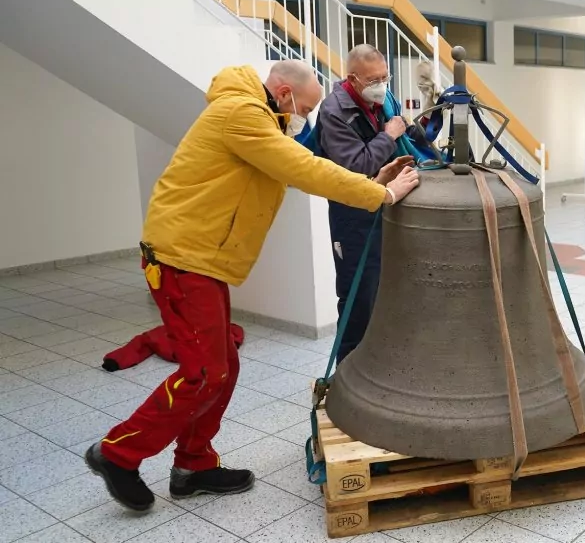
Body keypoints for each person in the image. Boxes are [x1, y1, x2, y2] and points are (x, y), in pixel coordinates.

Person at [85, 59, 420, 512]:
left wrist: (369, 182)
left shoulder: (257, 115)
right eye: (303, 108)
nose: (302, 119)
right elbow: (303, 166)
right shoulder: (240, 115)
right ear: (283, 93)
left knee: (224, 366)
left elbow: (298, 168)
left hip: (202, 261)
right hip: (181, 259)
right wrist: (382, 194)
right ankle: (117, 453)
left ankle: (193, 466)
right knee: (203, 372)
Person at [317, 45, 429, 362]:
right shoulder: (334, 112)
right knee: (358, 296)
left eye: (385, 76)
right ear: (352, 78)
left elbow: (406, 137)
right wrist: (390, 136)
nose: (381, 84)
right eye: (373, 79)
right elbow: (357, 166)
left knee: (385, 292)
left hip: (386, 207)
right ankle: (346, 377)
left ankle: (378, 370)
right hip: (352, 216)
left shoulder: (383, 99)